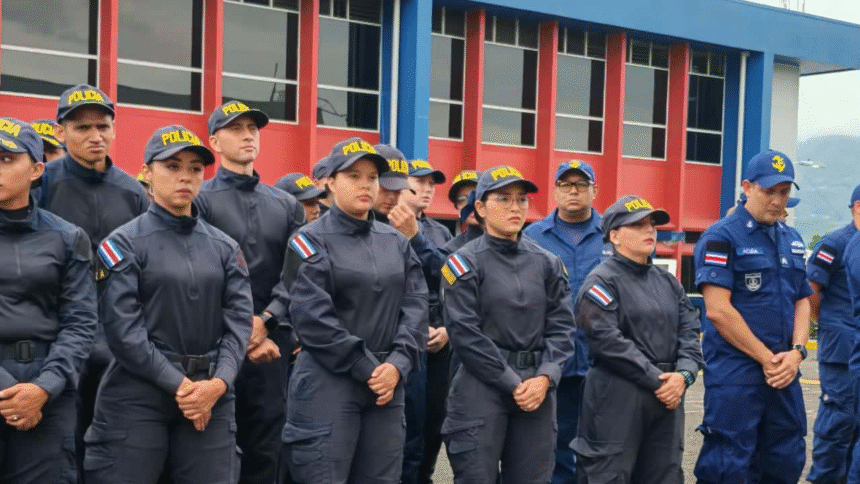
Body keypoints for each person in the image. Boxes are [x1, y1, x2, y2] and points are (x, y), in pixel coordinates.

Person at [84, 125, 252, 483]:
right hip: (139, 393)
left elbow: (239, 325)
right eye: (172, 166)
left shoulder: (225, 247)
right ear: (146, 172)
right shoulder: (123, 244)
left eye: (194, 169)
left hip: (211, 394)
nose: (185, 177)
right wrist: (182, 387)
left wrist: (218, 384)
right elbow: (123, 331)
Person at [280, 137, 428, 484]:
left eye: (372, 177)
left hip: (386, 386)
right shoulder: (309, 239)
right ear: (329, 181)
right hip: (328, 382)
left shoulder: (395, 241)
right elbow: (312, 316)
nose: (365, 185)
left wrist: (398, 364)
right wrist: (368, 367)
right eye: (353, 176)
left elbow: (416, 306)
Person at [36, 83, 149, 483]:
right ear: (60, 131)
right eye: (81, 128)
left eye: (102, 126)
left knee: (113, 436)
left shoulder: (133, 191)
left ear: (114, 129)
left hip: (118, 330)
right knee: (61, 438)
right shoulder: (42, 184)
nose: (94, 136)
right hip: (57, 329)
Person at [441, 165, 575, 484]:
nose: (515, 207)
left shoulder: (547, 263)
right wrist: (512, 382)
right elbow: (465, 334)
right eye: (503, 199)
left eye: (521, 199)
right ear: (480, 208)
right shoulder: (463, 263)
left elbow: (562, 328)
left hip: (537, 389)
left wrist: (546, 376)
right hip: (481, 385)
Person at [195, 101, 305, 484]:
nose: (247, 135)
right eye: (235, 128)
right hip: (216, 344)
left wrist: (267, 320)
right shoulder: (201, 200)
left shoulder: (288, 205)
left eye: (253, 129)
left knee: (266, 449)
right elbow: (201, 276)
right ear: (214, 141)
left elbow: (297, 273)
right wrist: (244, 331)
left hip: (271, 346)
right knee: (215, 450)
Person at [693, 150, 812, 483]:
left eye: (784, 191)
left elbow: (804, 299)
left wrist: (798, 353)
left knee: (785, 455)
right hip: (737, 372)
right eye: (768, 190)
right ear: (747, 187)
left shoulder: (792, 240)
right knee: (729, 462)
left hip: (783, 372)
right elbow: (718, 309)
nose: (777, 200)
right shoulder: (721, 237)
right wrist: (767, 359)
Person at [572, 195, 703, 483]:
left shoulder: (668, 282)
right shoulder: (601, 281)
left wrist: (683, 375)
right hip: (618, 394)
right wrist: (659, 380)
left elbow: (690, 332)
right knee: (608, 475)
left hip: (667, 397)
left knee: (664, 474)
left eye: (652, 224)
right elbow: (607, 341)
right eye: (638, 225)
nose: (650, 231)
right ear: (614, 236)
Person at [0, 118, 97, 482]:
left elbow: (81, 321)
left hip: (48, 388)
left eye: (7, 158)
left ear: (37, 169)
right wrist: (9, 391)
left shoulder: (68, 238)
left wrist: (44, 388)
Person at [523, 159, 607, 484]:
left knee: (601, 445)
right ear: (555, 191)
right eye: (566, 184)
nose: (574, 191)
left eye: (581, 184)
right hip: (552, 363)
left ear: (594, 191)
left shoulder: (613, 234)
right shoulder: (532, 236)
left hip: (603, 360)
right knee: (555, 445)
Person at [394, 158, 452, 484]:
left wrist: (447, 328)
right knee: (404, 428)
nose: (428, 189)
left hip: (437, 339)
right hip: (400, 338)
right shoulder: (381, 223)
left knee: (434, 425)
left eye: (432, 183)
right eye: (420, 182)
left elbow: (449, 281)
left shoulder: (440, 230)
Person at [806, 187, 860, 484]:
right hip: (840, 349)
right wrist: (829, 323)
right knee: (838, 421)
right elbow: (811, 290)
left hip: (854, 346)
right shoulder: (835, 243)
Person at [369, 144, 412, 224]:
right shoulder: (347, 225)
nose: (392, 197)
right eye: (386, 188)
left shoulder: (405, 228)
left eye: (397, 190)